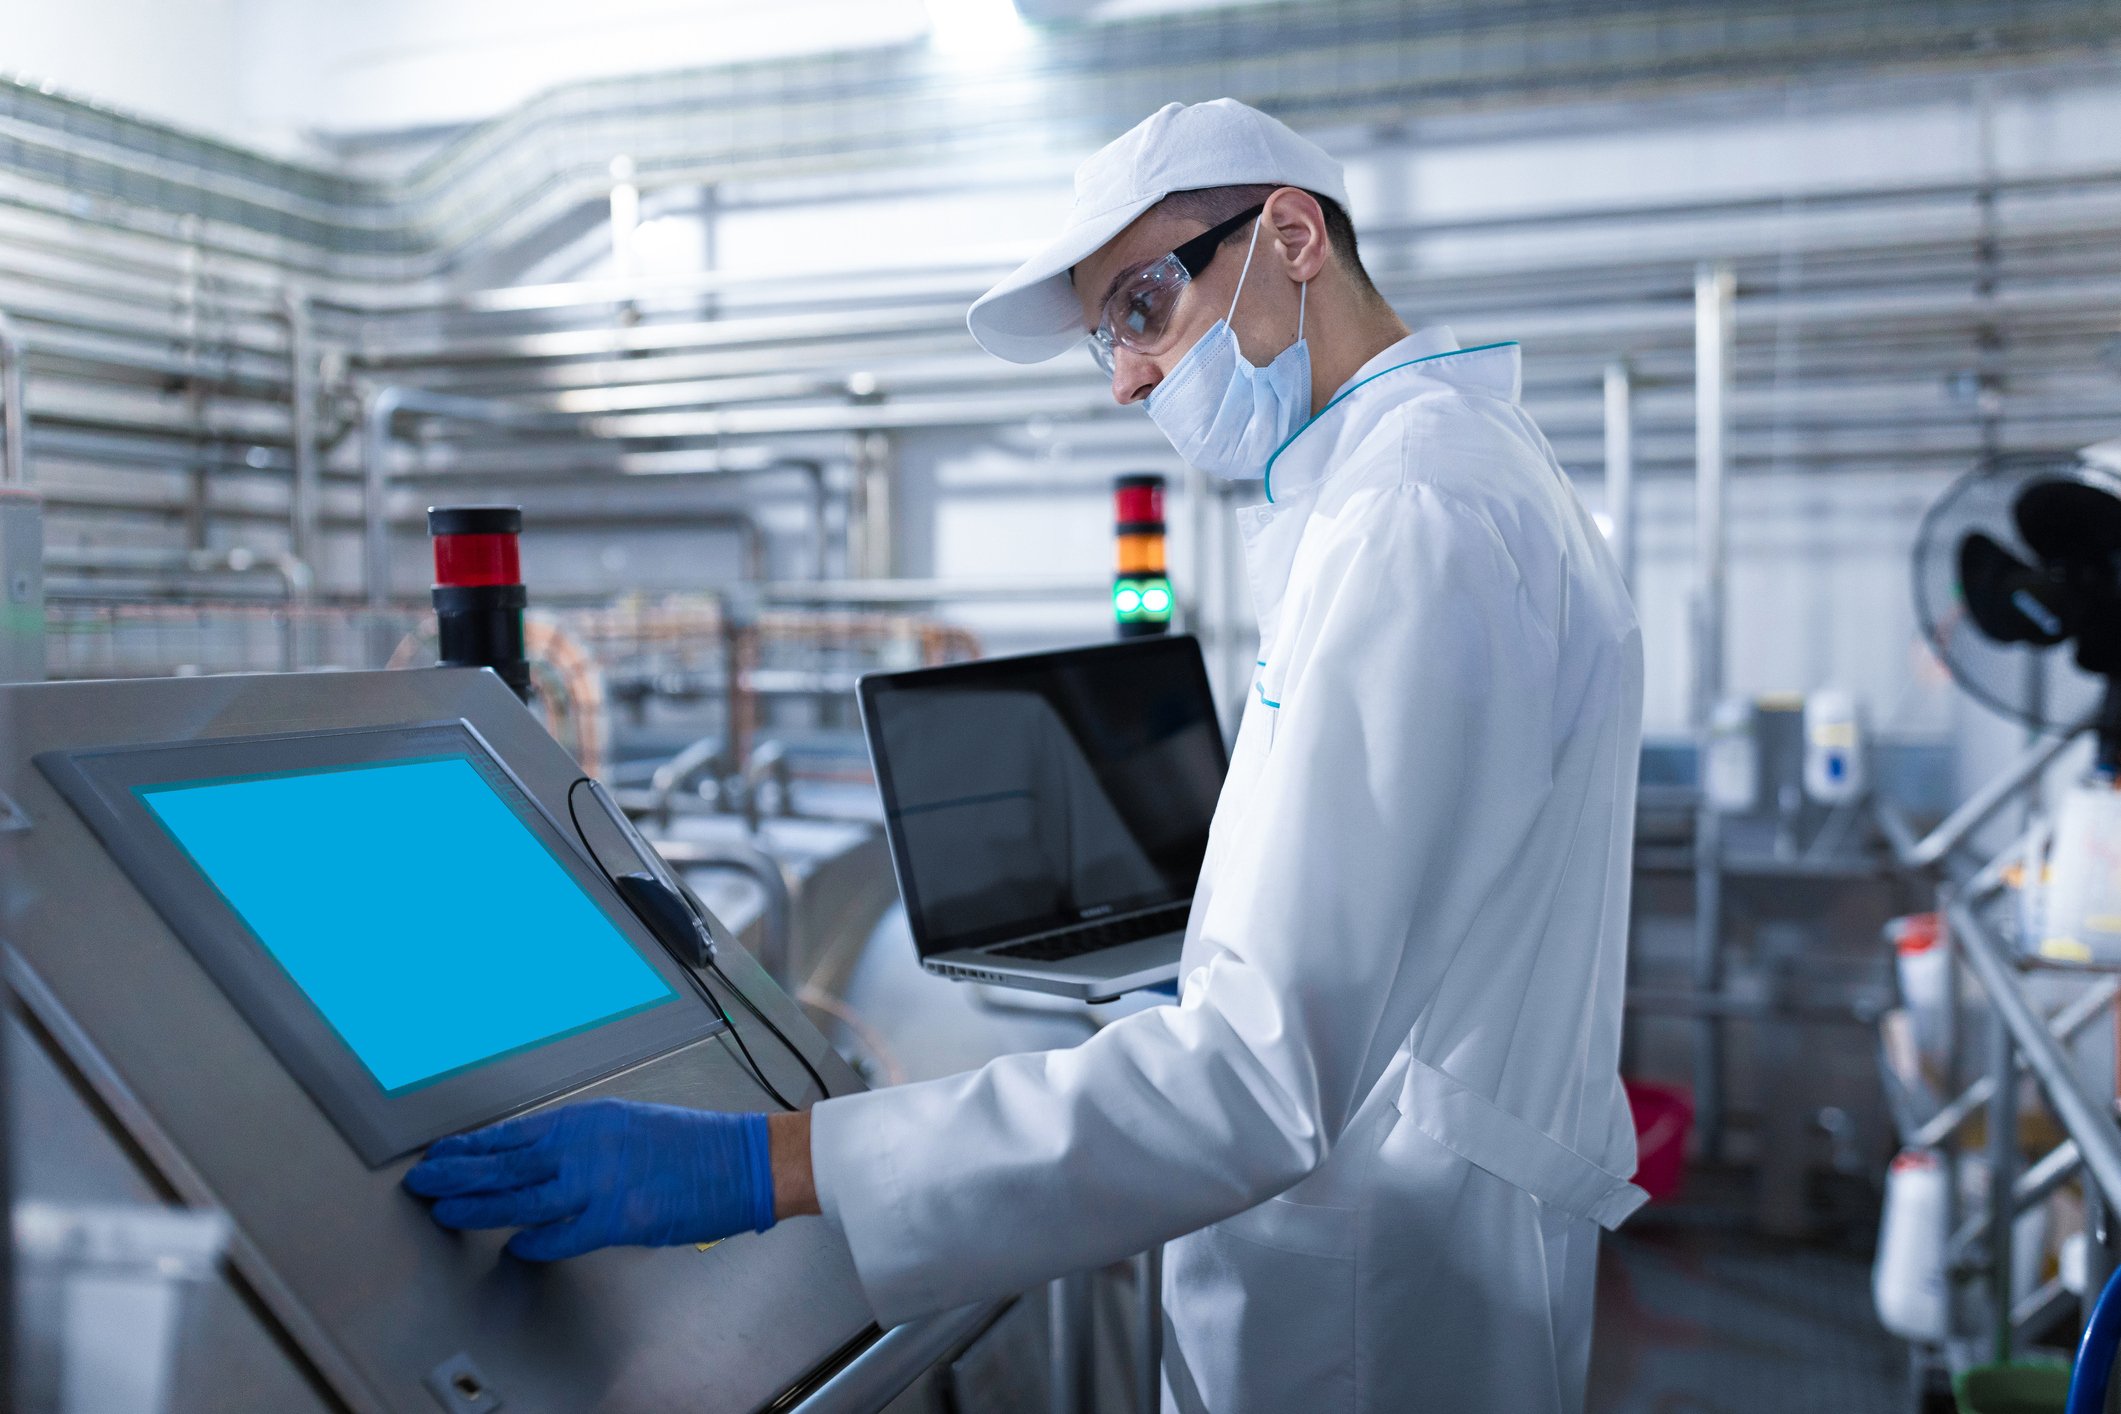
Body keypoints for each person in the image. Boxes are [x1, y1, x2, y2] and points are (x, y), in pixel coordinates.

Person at [406, 98, 1646, 1413]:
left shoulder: (1411, 512)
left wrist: (767, 1164)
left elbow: (1257, 1079)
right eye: (1106, 335)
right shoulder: (1437, 477)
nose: (1123, 376)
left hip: (1370, 1294)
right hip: (1430, 1227)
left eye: (1141, 306)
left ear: (1290, 236)